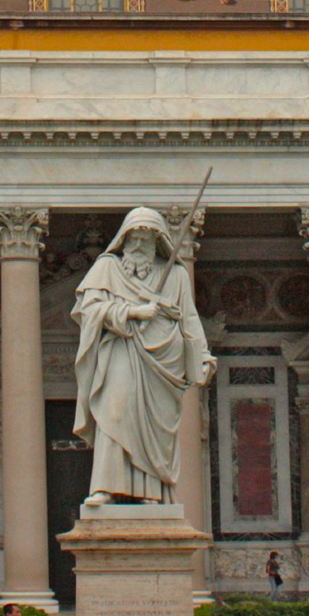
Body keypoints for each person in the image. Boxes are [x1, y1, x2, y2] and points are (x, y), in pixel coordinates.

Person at [71, 208, 215, 505]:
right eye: (133, 239)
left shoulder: (175, 274)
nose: (138, 246)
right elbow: (89, 310)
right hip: (122, 351)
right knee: (115, 411)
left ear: (157, 243)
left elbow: (189, 318)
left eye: (145, 240)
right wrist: (134, 311)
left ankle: (154, 491)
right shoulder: (107, 268)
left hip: (164, 361)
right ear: (123, 240)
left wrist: (202, 355)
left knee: (155, 427)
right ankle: (105, 488)